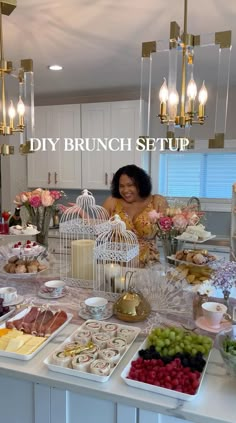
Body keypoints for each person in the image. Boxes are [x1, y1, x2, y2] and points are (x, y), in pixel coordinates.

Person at [102, 164, 168, 267]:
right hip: (116, 267)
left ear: (140, 184)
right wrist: (82, 213)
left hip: (148, 267)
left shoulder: (156, 201)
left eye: (130, 185)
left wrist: (182, 217)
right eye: (121, 186)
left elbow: (168, 231)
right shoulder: (112, 202)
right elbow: (98, 230)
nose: (125, 190)